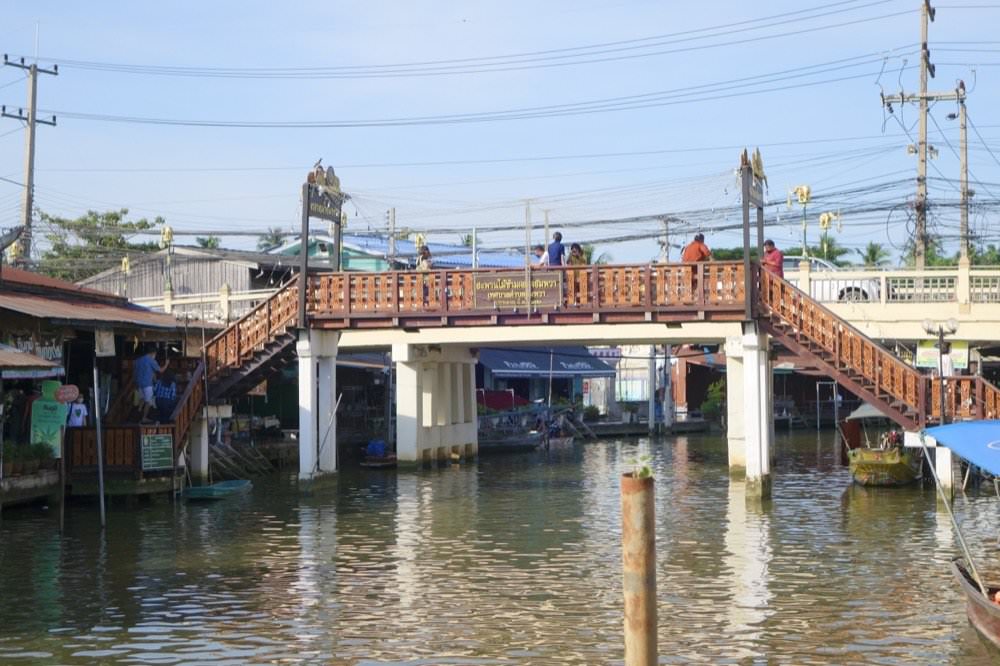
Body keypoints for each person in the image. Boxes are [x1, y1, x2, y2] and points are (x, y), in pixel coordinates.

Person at [136, 345, 169, 424]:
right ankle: (144, 418)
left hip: (139, 383)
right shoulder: (151, 360)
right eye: (155, 354)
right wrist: (167, 364)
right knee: (148, 401)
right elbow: (161, 370)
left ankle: (138, 413)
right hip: (147, 384)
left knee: (142, 399)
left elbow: (136, 372)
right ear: (153, 353)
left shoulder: (138, 360)